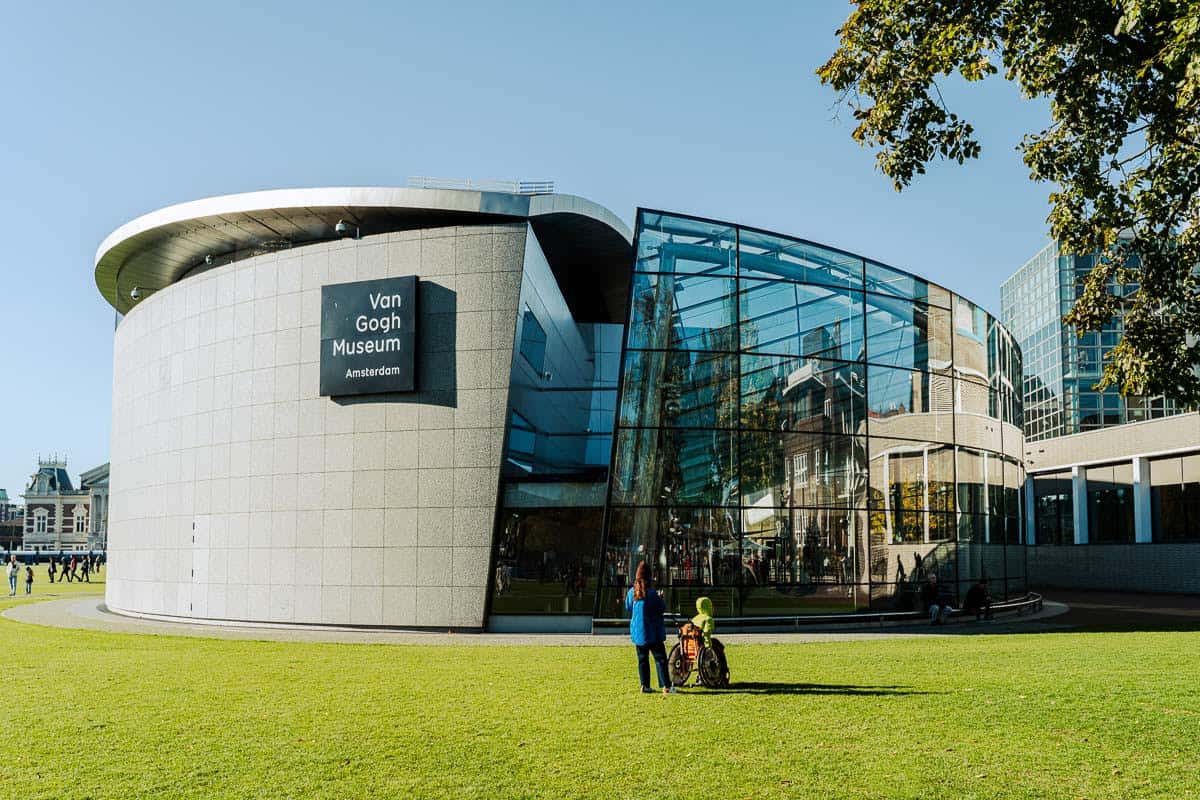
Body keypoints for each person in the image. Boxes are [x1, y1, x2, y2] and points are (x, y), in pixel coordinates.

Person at [625, 561, 674, 695]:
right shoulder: (652, 593)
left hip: (638, 633)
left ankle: (644, 685)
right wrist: (661, 597)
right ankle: (666, 686)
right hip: (652, 632)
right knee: (660, 659)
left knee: (642, 660)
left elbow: (628, 607)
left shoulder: (632, 592)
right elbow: (661, 608)